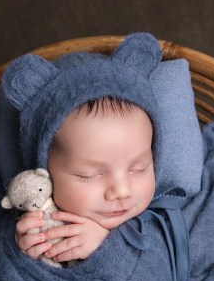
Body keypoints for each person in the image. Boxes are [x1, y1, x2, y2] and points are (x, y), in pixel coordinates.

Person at [12, 96, 156, 264]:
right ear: (45, 170)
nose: (122, 191)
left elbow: (160, 279)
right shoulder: (36, 216)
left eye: (139, 169)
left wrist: (107, 247)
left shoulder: (165, 224)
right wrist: (23, 251)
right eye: (88, 175)